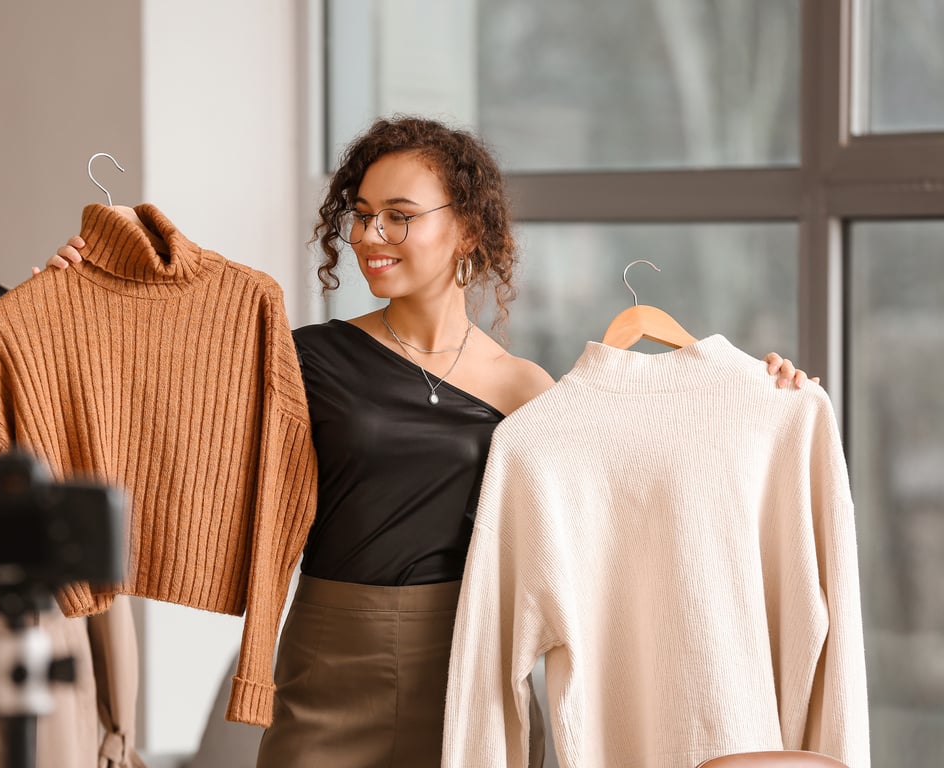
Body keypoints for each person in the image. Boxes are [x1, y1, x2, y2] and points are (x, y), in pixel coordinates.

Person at [43, 116, 814, 767]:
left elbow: (648, 473)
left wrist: (761, 392)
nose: (371, 235)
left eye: (399, 215)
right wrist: (83, 297)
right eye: (362, 213)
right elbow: (163, 403)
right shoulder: (304, 357)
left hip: (470, 667)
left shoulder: (527, 389)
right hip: (324, 666)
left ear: (467, 229)